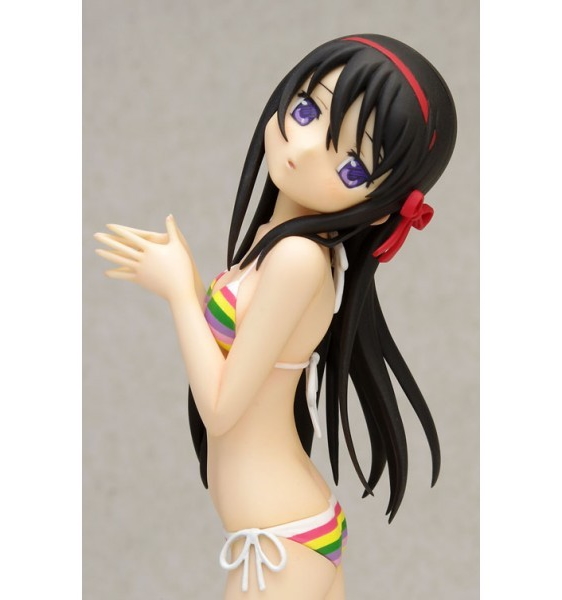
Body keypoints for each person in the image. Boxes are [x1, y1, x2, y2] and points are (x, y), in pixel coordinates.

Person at [95, 34, 457, 599]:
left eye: (353, 165)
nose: (306, 148)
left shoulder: (297, 259)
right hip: (284, 527)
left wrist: (179, 292)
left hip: (278, 538)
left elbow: (221, 408)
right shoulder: (277, 242)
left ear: (382, 205)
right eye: (308, 110)